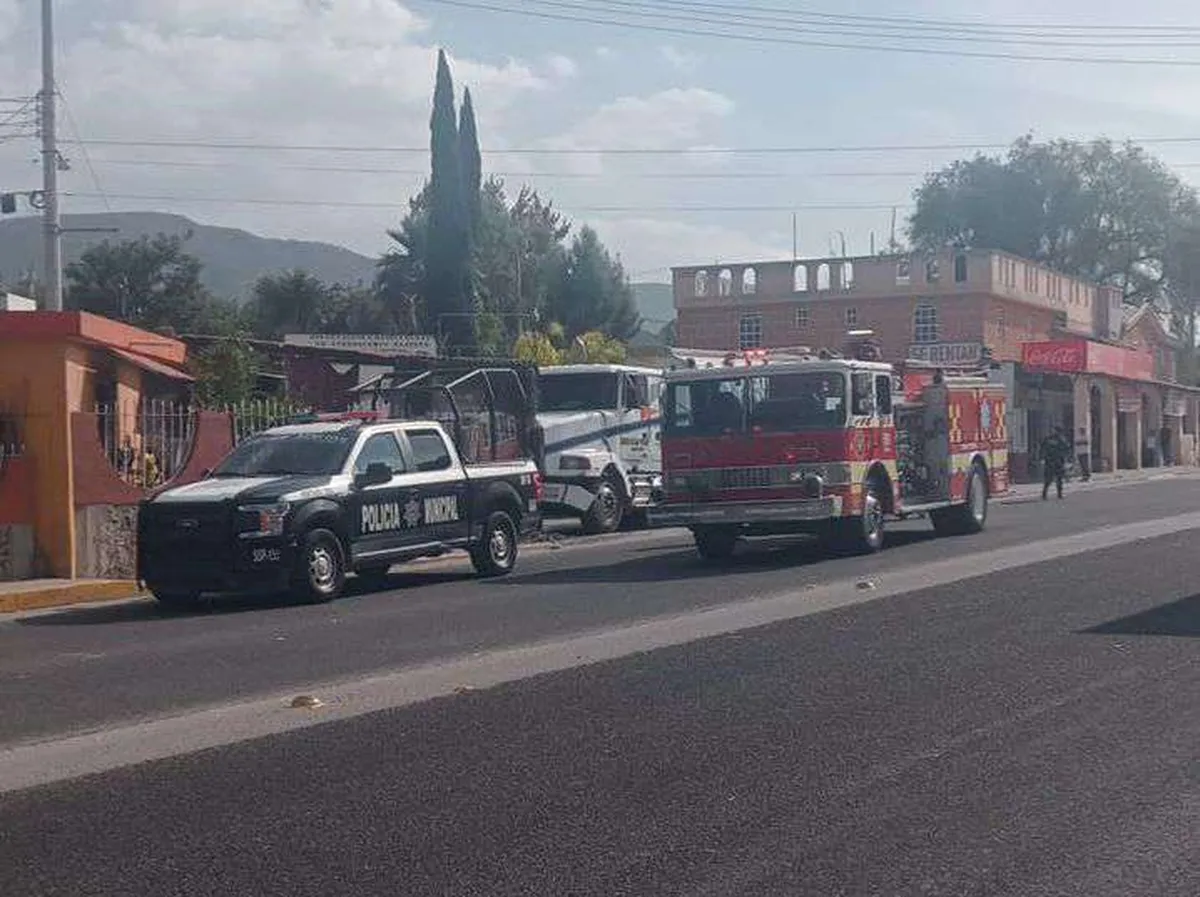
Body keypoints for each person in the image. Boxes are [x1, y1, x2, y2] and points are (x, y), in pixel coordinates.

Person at [1041, 426, 1071, 500]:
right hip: (1057, 461)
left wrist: (1043, 458)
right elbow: (1067, 450)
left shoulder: (1049, 439)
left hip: (1052, 461)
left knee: (1051, 479)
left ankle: (1047, 494)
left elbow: (1042, 449)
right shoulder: (1061, 439)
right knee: (1056, 479)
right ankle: (1057, 494)